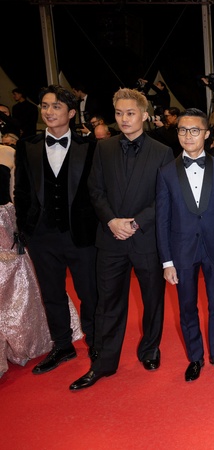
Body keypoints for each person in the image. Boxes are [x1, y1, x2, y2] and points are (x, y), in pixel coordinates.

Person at [69, 88, 174, 391]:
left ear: (144, 115)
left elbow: (163, 197)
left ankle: (150, 349)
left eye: (130, 113)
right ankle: (103, 363)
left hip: (146, 239)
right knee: (108, 303)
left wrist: (136, 223)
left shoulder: (162, 151)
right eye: (119, 113)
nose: (124, 118)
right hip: (111, 237)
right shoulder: (104, 148)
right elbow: (95, 190)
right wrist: (112, 221)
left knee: (152, 299)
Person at [13, 84, 99, 375]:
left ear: (71, 113)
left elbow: (97, 191)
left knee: (89, 292)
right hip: (42, 236)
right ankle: (62, 345)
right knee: (52, 293)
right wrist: (26, 229)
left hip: (82, 235)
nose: (49, 112)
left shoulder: (90, 146)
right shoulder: (27, 145)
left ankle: (95, 340)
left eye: (56, 106)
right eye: (45, 106)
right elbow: (22, 191)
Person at [156, 108, 214, 382]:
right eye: (182, 130)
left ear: (206, 133)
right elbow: (162, 220)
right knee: (187, 306)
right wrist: (167, 261)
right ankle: (195, 357)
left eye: (194, 130)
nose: (188, 135)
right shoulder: (166, 172)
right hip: (181, 251)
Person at [0, 143, 53, 378]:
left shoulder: (8, 152)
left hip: (3, 224)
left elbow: (16, 193)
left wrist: (20, 227)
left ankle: (21, 339)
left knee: (14, 283)